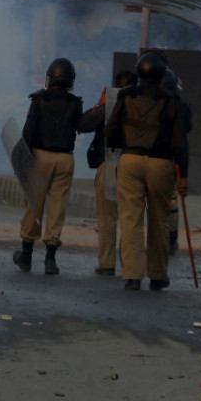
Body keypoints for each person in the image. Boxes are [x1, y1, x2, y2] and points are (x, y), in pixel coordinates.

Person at [105, 51, 189, 292]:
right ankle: (157, 275)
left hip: (130, 159)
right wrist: (183, 174)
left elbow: (110, 129)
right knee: (160, 220)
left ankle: (132, 275)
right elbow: (179, 141)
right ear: (163, 73)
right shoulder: (170, 100)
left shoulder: (126, 95)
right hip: (160, 162)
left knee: (131, 219)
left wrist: (121, 145)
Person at [12, 57, 84, 276]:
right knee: (57, 207)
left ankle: (26, 254)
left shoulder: (39, 100)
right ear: (70, 80)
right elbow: (81, 126)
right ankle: (50, 259)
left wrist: (23, 163)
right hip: (65, 159)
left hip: (40, 158)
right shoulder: (74, 103)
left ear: (50, 78)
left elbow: (28, 133)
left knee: (34, 205)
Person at [77, 69, 136, 277]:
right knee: (131, 220)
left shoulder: (110, 104)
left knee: (107, 218)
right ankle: (131, 266)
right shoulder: (144, 104)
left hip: (109, 166)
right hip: (135, 166)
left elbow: (84, 124)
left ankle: (106, 263)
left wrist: (100, 104)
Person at [161, 68, 193, 255]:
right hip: (168, 160)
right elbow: (184, 135)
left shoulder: (148, 102)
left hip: (150, 157)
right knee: (171, 202)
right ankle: (170, 240)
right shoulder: (180, 107)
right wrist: (184, 173)